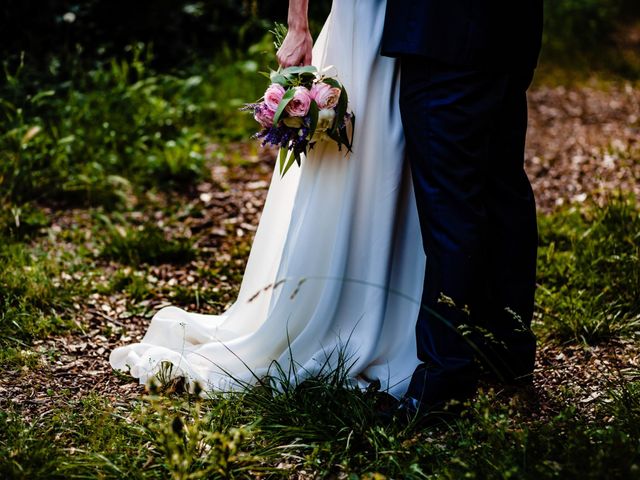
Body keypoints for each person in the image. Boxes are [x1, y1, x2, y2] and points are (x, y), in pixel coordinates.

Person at [110, 0, 427, 399]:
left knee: (406, 162)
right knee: (355, 157)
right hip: (362, 22)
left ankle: (407, 314)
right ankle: (344, 306)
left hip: (425, 30)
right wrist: (298, 24)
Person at [381, 1, 543, 411]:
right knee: (502, 190)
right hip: (511, 30)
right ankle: (508, 351)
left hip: (445, 33)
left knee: (451, 208)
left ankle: (446, 376)